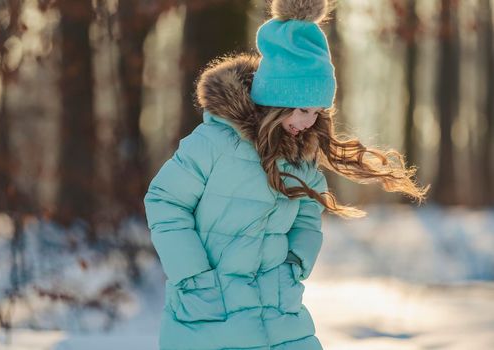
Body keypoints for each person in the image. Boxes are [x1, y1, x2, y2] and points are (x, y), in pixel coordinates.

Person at [143, 0, 429, 349]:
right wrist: (193, 275)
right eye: (304, 110)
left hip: (278, 310)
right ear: (276, 99)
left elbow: (309, 214)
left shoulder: (300, 157)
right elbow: (165, 201)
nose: (310, 121)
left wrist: (294, 264)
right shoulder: (215, 142)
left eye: (318, 112)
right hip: (210, 309)